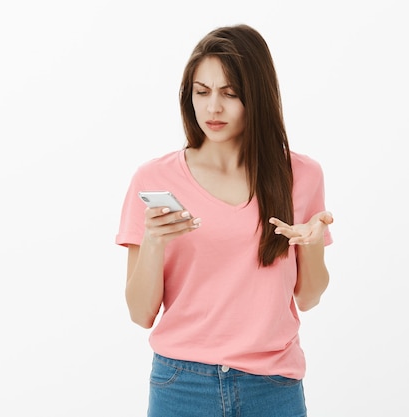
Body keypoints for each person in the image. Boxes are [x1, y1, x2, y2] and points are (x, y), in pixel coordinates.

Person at [115, 24, 333, 417]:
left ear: (258, 97)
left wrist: (312, 245)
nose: (212, 108)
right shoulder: (153, 179)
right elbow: (139, 313)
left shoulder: (302, 176)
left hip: (273, 387)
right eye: (202, 92)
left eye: (230, 94)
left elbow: (309, 297)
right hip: (181, 385)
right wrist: (152, 241)